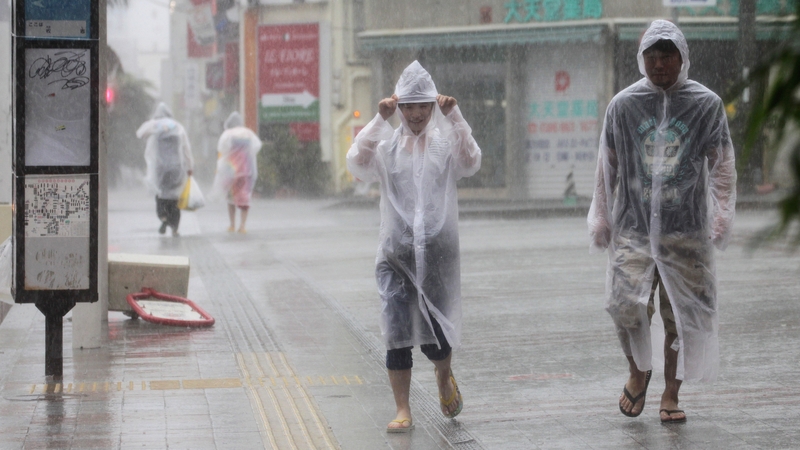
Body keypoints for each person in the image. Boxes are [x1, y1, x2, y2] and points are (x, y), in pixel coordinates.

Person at [588, 20, 736, 424]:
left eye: (667, 55)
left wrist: (721, 213)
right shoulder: (624, 104)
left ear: (682, 57)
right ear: (642, 59)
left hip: (686, 229)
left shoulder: (705, 104)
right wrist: (600, 214)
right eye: (652, 55)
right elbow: (608, 163)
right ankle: (639, 372)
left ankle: (671, 393)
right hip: (633, 229)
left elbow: (721, 164)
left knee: (682, 317)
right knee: (623, 304)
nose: (659, 64)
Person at [346, 61, 481, 433]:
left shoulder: (444, 143)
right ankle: (403, 408)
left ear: (432, 106)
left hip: (438, 254)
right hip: (395, 254)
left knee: (435, 335)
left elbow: (471, 162)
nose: (417, 113)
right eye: (409, 106)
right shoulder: (387, 147)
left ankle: (443, 373)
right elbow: (356, 162)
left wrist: (455, 118)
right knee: (397, 332)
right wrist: (378, 120)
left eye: (423, 105)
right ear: (399, 107)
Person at [137, 103, 194, 237]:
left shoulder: (155, 125)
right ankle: (174, 227)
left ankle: (163, 218)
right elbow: (186, 149)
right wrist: (190, 167)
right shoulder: (178, 126)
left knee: (161, 194)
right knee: (175, 197)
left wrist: (155, 126)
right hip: (176, 167)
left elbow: (140, 134)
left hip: (160, 167)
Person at [211, 111, 262, 233]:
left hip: (231, 170)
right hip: (247, 169)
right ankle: (242, 226)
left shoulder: (227, 134)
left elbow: (221, 149)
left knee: (231, 198)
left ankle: (232, 225)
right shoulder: (249, 133)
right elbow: (257, 146)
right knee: (245, 197)